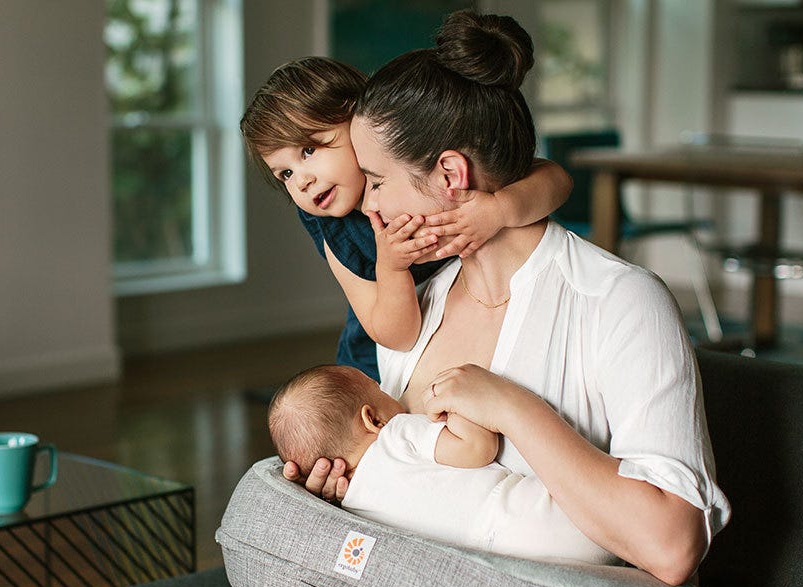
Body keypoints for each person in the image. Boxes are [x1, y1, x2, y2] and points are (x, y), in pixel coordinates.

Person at [286, 9, 731, 587]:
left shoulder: (619, 302)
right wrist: (353, 484)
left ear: (450, 174)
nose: (367, 210)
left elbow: (672, 548)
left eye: (375, 181)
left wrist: (516, 410)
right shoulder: (417, 311)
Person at [240, 57, 572, 382]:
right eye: (285, 173)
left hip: (465, 330)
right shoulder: (333, 226)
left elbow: (555, 178)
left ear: (358, 117)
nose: (301, 181)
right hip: (379, 364)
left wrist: (499, 209)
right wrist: (391, 267)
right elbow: (396, 336)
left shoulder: (420, 163)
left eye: (308, 151)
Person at [269, 364, 618, 566]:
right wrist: (455, 405)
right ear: (372, 419)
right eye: (380, 389)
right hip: (537, 518)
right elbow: (477, 447)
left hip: (502, 560)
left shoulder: (353, 505)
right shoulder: (397, 434)